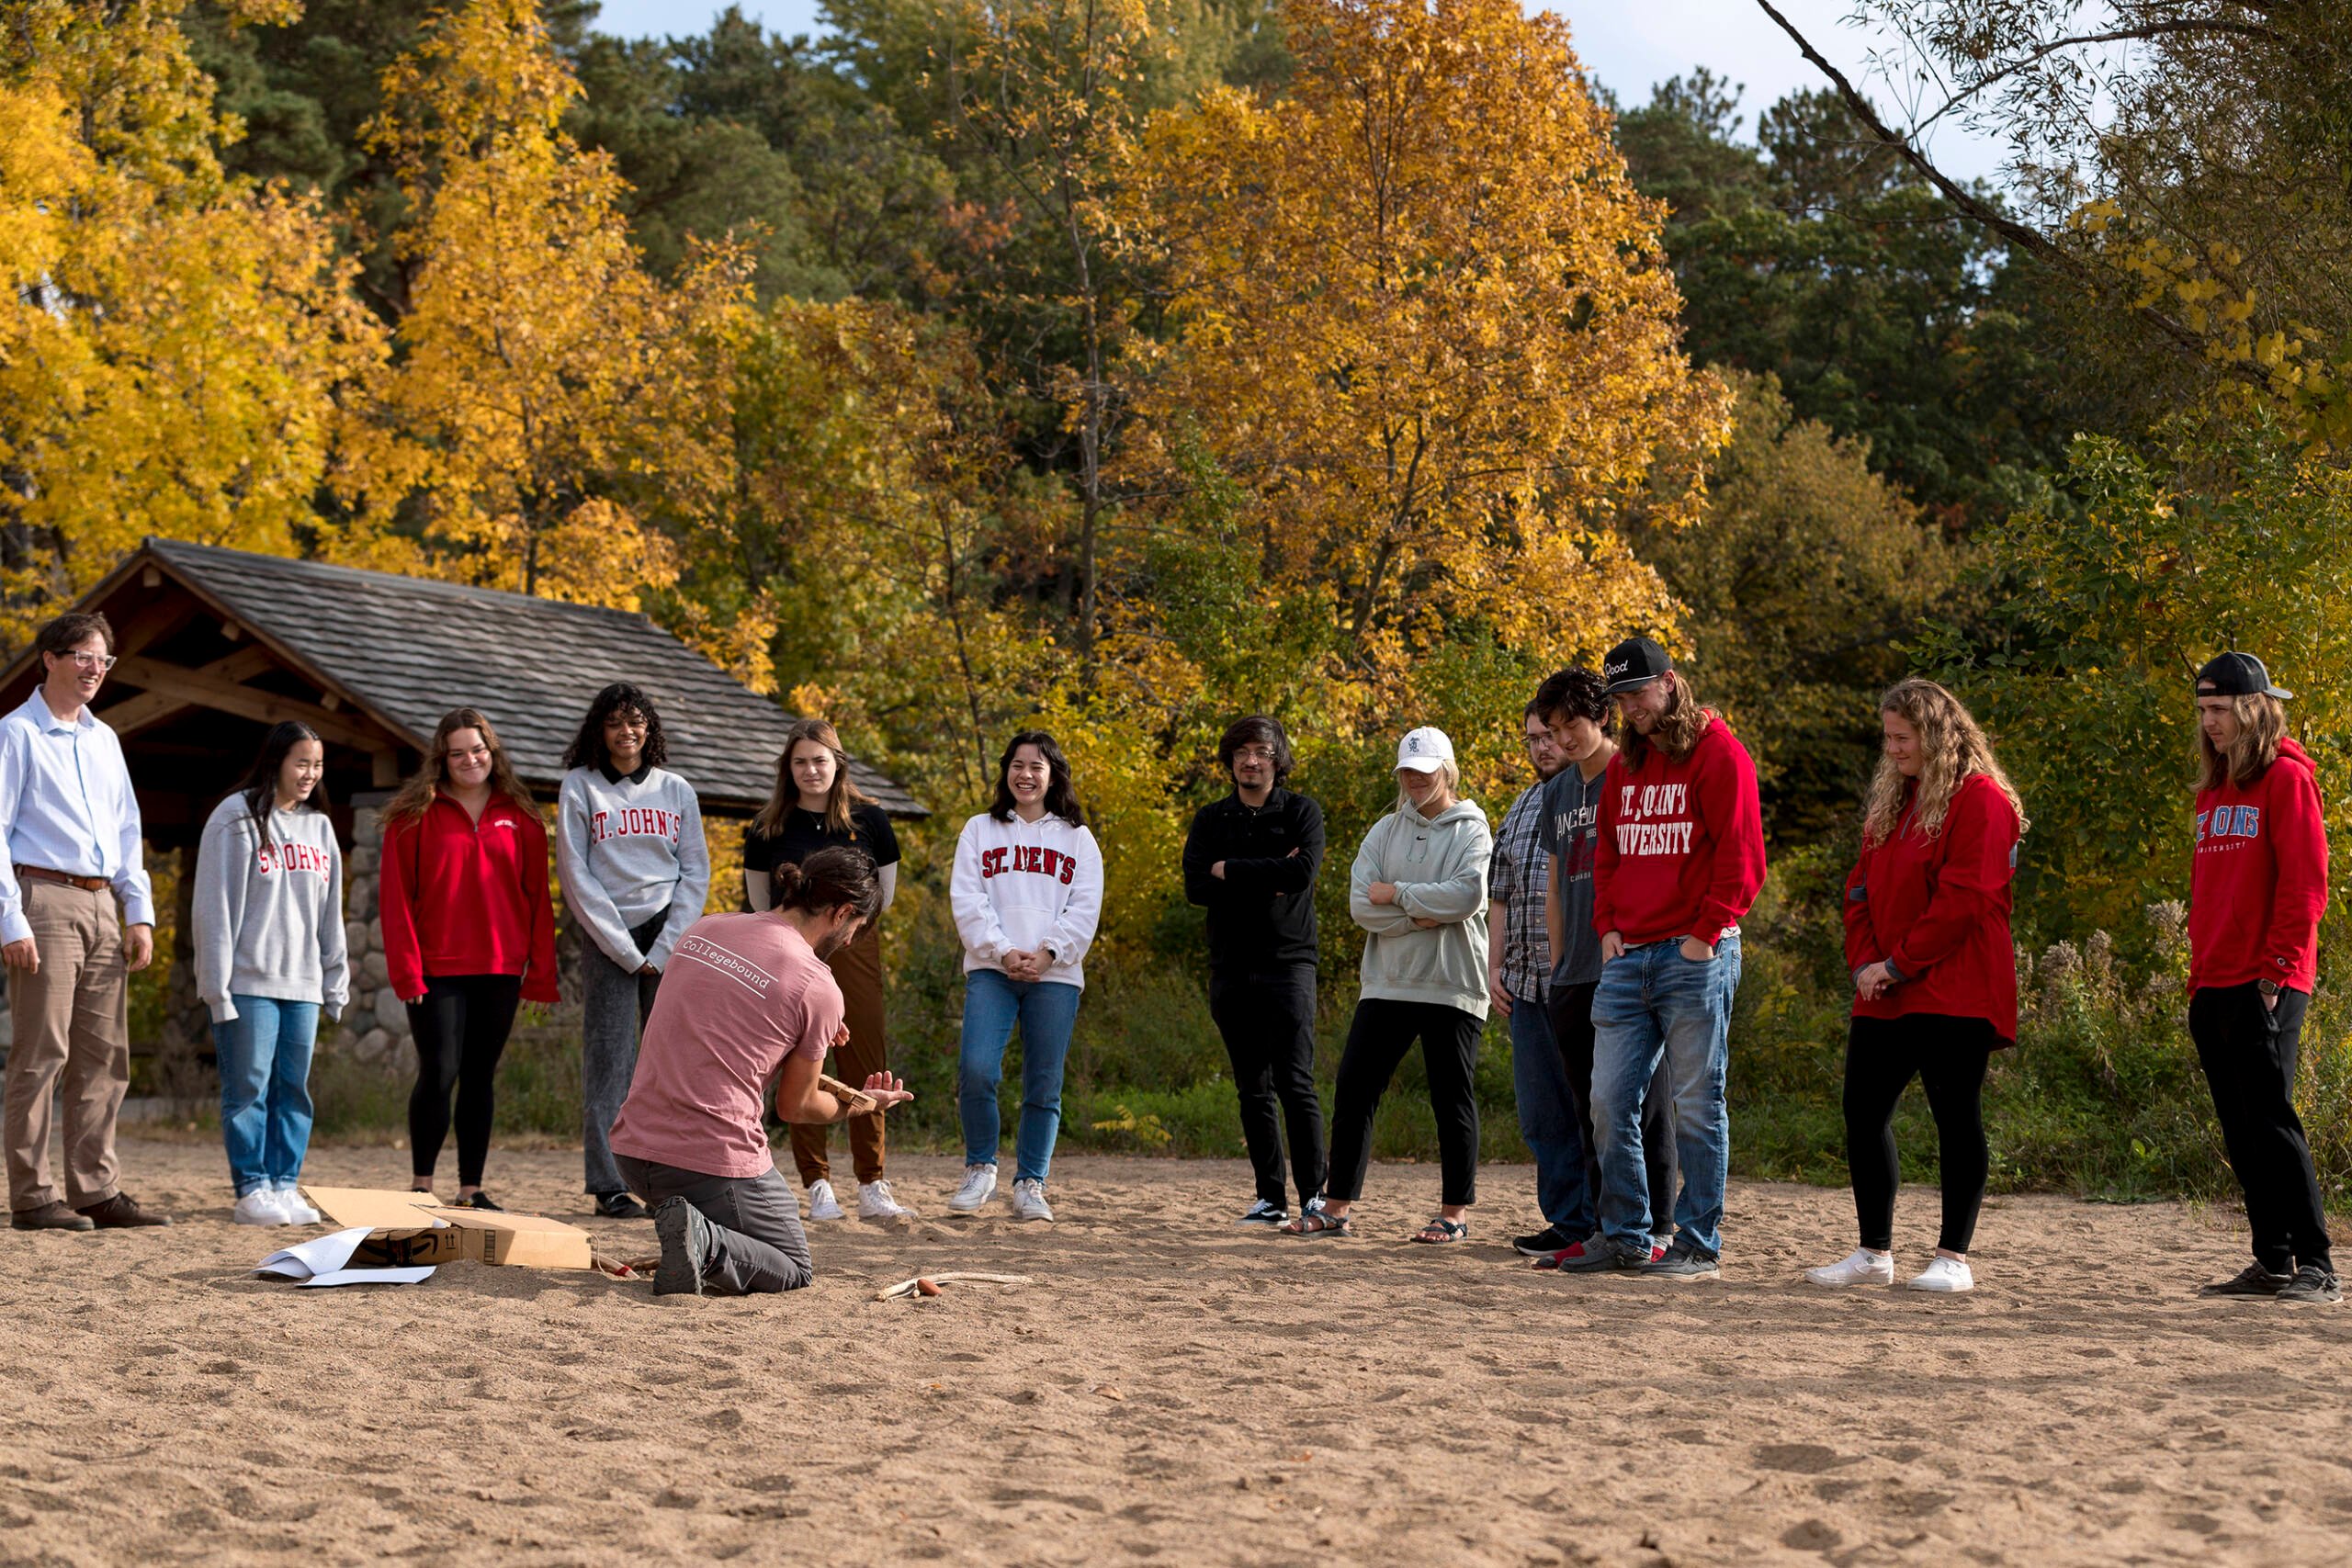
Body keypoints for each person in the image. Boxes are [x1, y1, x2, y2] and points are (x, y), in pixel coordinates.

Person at [610, 846, 914, 1296]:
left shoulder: (707, 927)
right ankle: (706, 1241)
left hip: (633, 1153)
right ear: (843, 913)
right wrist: (861, 1106)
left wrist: (807, 1025)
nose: (851, 941)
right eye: (857, 929)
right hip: (707, 1163)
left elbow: (720, 1014)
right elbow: (797, 1106)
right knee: (792, 1266)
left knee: (746, 1228)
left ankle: (696, 1231)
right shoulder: (816, 983)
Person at [1805, 680, 2024, 1294]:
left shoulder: (1979, 799)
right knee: (1862, 1112)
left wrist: (1898, 963)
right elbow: (1857, 892)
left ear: (1936, 734)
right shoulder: (1893, 802)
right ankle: (1874, 1249)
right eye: (1889, 737)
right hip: (1885, 989)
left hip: (1956, 987)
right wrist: (1867, 965)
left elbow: (1965, 899)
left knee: (1957, 1116)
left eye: (1902, 737)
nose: (1893, 748)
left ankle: (1953, 1256)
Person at [1566, 637, 1765, 1280]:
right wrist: (1606, 927)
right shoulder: (1626, 765)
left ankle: (1698, 1243)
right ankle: (1624, 1233)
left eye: (1637, 694)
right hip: (1629, 956)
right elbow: (1609, 855)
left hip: (1695, 954)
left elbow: (1743, 859)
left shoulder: (1719, 755)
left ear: (1670, 683)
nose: (1630, 709)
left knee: (1697, 1102)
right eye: (1620, 700)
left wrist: (1705, 934)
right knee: (1607, 1101)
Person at [0, 612, 170, 1231]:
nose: (95, 668)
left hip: (104, 905)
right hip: (42, 898)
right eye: (83, 655)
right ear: (49, 658)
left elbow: (128, 829)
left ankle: (96, 1189)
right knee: (42, 1051)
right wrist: (9, 917)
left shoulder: (105, 740)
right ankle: (33, 1195)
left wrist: (139, 911)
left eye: (104, 659)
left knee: (104, 1054)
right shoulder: (16, 734)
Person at [1288, 727, 1491, 1243]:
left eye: (1424, 772)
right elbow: (1361, 905)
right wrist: (1420, 915)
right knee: (1355, 1091)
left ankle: (1454, 1215)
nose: (1415, 781)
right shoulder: (1383, 831)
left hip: (1452, 983)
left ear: (1446, 771)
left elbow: (1466, 896)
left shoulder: (1473, 829)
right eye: (1407, 772)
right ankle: (1336, 1208)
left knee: (1452, 1097)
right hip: (1386, 982)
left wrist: (1397, 895)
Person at [2184, 652, 2336, 1305]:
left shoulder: (2286, 780)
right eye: (2203, 711)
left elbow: (2306, 885)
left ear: (2252, 710)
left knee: (2273, 1124)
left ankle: (2319, 1265)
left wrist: (2274, 973)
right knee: (2240, 1130)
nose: (2210, 723)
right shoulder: (2214, 789)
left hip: (2266, 980)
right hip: (2213, 979)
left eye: (2219, 710)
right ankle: (2272, 1260)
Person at [379, 707, 560, 1212]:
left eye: (477, 750)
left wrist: (541, 976)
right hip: (436, 968)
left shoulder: (520, 816)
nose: (468, 760)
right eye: (457, 752)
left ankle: (470, 1188)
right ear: (442, 757)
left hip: (501, 966)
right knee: (438, 1070)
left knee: (480, 1075)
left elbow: (537, 900)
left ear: (492, 753)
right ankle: (421, 1185)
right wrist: (406, 968)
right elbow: (395, 899)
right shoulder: (411, 815)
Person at [1530, 668, 1678, 1269]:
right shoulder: (1557, 791)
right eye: (1554, 729)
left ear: (1603, 718)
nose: (1563, 740)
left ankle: (1660, 1222)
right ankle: (1602, 1224)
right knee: (1592, 1105)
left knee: (1647, 1102)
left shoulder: (1635, 771)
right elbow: (1556, 887)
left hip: (1637, 957)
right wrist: (1559, 960)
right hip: (1576, 969)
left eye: (1573, 726)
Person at [555, 682, 709, 1221]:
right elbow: (575, 873)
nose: (628, 731)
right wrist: (622, 947)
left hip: (669, 930)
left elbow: (696, 871)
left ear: (650, 727)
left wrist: (667, 945)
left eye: (637, 721)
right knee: (610, 1061)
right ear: (600, 730)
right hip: (608, 935)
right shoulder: (580, 786)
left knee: (671, 1060)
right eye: (616, 722)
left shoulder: (676, 789)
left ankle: (672, 1175)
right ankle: (609, 1184)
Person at [742, 719, 907, 1222]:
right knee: (801, 1058)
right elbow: (757, 901)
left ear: (837, 763)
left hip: (854, 945)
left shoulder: (871, 820)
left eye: (819, 759)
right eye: (800, 761)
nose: (810, 770)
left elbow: (885, 893)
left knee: (863, 1057)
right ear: (787, 768)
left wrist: (846, 932)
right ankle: (817, 1184)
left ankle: (872, 1182)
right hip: (790, 951)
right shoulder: (767, 826)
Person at [192, 722, 350, 1227]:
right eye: (301, 763)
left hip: (302, 983)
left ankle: (284, 1184)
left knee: (294, 1089)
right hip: (248, 983)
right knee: (249, 1089)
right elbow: (213, 906)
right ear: (277, 761)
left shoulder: (319, 828)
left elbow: (331, 912)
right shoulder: (235, 817)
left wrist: (334, 979)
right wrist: (215, 986)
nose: (309, 774)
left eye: (317, 765)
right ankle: (251, 1188)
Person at [946, 730, 1103, 1223]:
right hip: (993, 970)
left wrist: (1049, 952)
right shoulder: (980, 829)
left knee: (1043, 1083)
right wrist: (1003, 950)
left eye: (1036, 766)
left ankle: (1030, 1182)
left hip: (1054, 975)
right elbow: (968, 899)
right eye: (1017, 764)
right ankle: (981, 1168)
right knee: (976, 1070)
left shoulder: (1077, 838)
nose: (1026, 774)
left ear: (1053, 773)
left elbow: (1085, 907)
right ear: (1006, 771)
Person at [1182, 716, 1327, 1227]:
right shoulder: (1211, 818)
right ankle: (1271, 1198)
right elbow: (1197, 886)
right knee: (1252, 1088)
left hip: (1289, 964)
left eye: (1261, 751)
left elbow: (1302, 872)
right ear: (1230, 760)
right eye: (1242, 751)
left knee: (1296, 1082)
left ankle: (1315, 1198)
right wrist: (1267, 872)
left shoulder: (1301, 811)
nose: (1251, 760)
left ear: (1276, 758)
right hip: (1230, 968)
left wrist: (1232, 869)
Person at [1486, 687, 1575, 1254]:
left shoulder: (1595, 797)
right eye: (1533, 739)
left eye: (1550, 735)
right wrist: (1493, 965)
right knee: (1541, 1116)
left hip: (1578, 984)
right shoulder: (1520, 806)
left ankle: (1603, 1223)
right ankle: (1566, 1221)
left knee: (1593, 1111)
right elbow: (1499, 891)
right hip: (1523, 986)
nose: (1543, 747)